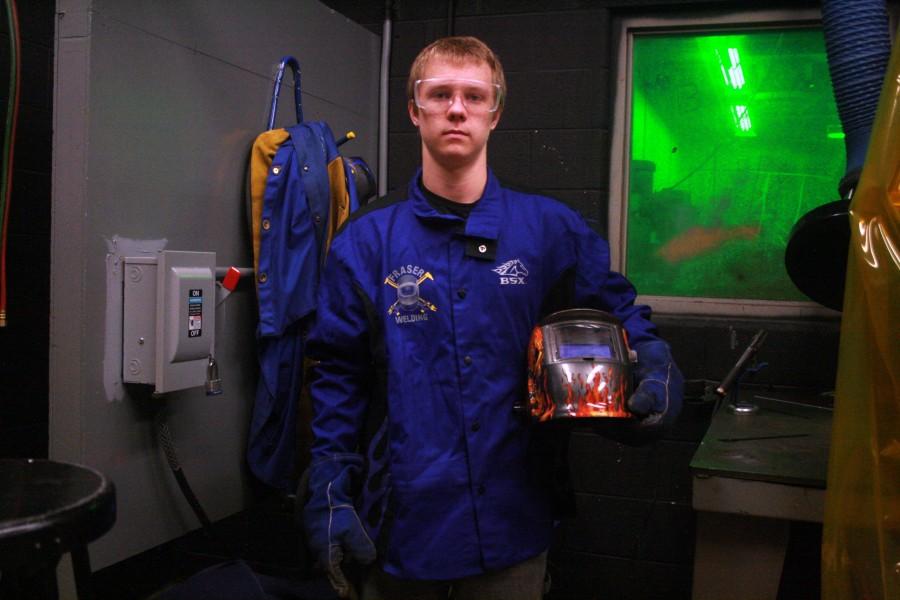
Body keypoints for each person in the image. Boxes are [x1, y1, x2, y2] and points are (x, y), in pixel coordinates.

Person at [302, 36, 683, 600]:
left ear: (495, 111)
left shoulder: (550, 232)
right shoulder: (365, 243)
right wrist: (330, 487)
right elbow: (337, 374)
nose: (457, 109)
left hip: (514, 524)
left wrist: (653, 361)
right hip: (402, 530)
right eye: (440, 94)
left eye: (474, 96)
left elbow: (619, 312)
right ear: (414, 109)